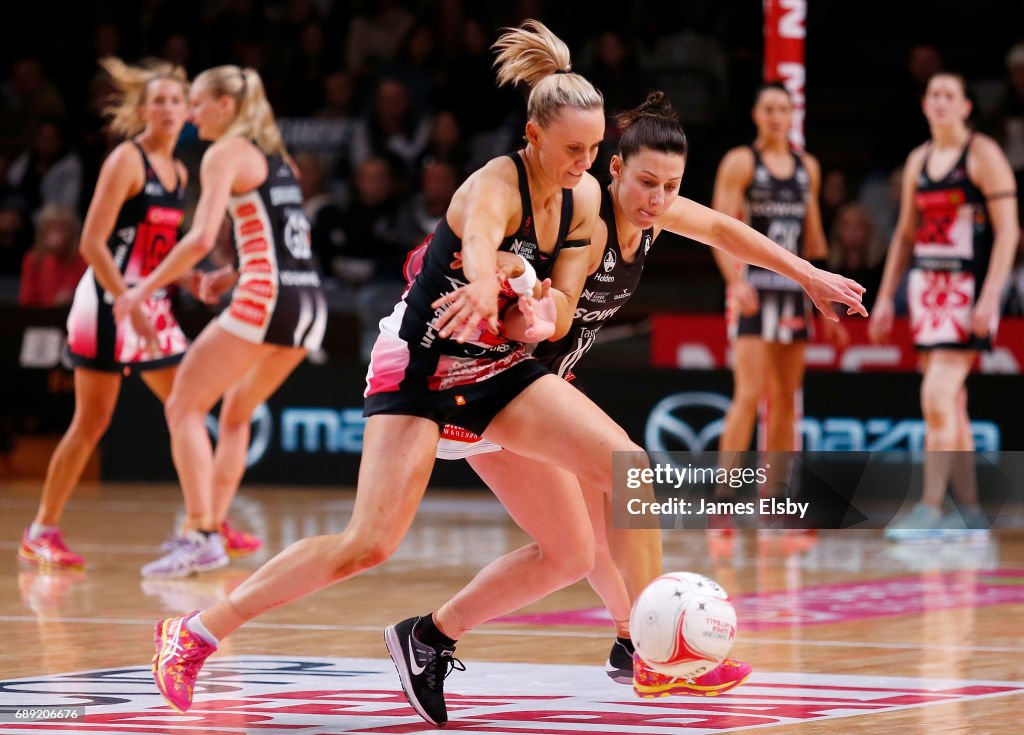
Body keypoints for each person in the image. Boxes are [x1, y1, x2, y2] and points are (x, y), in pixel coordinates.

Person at [144, 18, 655, 719]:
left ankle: (606, 643)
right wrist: (485, 277)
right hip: (420, 365)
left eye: (595, 149)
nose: (585, 162)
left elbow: (563, 300)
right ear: (533, 137)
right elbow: (479, 238)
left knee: (604, 502)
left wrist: (546, 315)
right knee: (369, 542)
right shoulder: (494, 180)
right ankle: (193, 633)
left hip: (497, 370)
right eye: (573, 148)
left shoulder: (585, 197)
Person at [408, 92, 867, 713]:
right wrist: (523, 307)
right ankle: (658, 655)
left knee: (578, 548)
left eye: (671, 187)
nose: (658, 199)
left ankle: (436, 637)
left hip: (536, 387)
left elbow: (725, 231)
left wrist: (808, 275)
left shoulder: (652, 215)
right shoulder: (589, 224)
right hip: (495, 381)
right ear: (614, 169)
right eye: (647, 181)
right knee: (629, 479)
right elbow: (524, 303)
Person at [114, 64, 327, 578]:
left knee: (184, 405)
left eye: (198, 103)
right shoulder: (280, 161)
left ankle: (200, 533)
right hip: (308, 302)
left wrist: (143, 287)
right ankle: (212, 529)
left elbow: (200, 237)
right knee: (234, 416)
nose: (189, 113)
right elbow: (286, 244)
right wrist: (233, 273)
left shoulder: (225, 153)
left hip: (267, 297)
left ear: (225, 107)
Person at [17, 58, 190, 570]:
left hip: (148, 300)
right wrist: (126, 303)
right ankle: (41, 529)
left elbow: (155, 251)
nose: (167, 108)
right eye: (157, 99)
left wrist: (189, 278)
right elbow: (92, 242)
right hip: (109, 300)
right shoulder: (126, 161)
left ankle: (204, 520)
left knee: (188, 403)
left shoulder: (178, 170)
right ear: (142, 109)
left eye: (176, 100)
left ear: (187, 111)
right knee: (91, 422)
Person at [870, 72, 1018, 540]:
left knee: (936, 396)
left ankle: (931, 507)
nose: (939, 102)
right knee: (953, 402)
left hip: (967, 289)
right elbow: (905, 236)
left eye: (949, 95)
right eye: (933, 94)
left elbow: (1010, 232)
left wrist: (990, 296)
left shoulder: (984, 154)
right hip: (926, 289)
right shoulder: (919, 160)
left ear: (966, 106)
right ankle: (972, 511)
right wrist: (886, 299)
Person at [710, 82, 841, 467]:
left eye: (782, 109)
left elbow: (814, 244)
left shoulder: (808, 167)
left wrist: (828, 298)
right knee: (749, 394)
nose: (776, 117)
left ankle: (777, 495)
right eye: (768, 109)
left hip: (794, 292)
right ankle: (724, 498)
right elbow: (718, 232)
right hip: (753, 287)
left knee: (786, 397)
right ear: (755, 115)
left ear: (792, 115)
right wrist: (735, 282)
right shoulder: (741, 161)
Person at [17, 203, 87, 307]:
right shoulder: (33, 259)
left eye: (62, 228)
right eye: (51, 228)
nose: (57, 234)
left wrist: (71, 296)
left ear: (73, 233)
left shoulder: (83, 259)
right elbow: (26, 299)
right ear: (42, 232)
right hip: (38, 317)